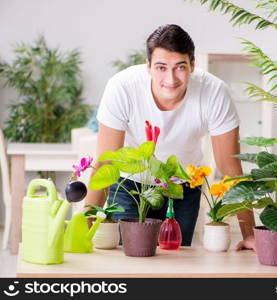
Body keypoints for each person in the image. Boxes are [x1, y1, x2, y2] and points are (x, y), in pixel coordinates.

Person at [84, 24, 255, 250]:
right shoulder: (122, 87)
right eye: (161, 67)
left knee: (176, 260)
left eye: (180, 67)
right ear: (148, 66)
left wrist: (249, 235)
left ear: (193, 65)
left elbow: (230, 166)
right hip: (129, 186)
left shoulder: (214, 92)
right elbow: (106, 161)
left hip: (182, 188)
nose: (171, 78)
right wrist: (84, 227)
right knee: (131, 259)